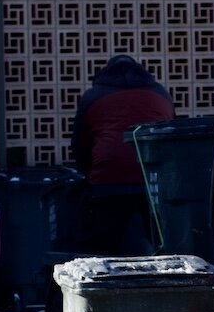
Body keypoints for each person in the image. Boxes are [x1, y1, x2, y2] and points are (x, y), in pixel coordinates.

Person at [68, 54, 174, 254]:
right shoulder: (161, 93)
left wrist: (89, 176)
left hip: (108, 178)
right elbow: (169, 134)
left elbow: (80, 144)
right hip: (151, 176)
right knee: (163, 242)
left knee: (98, 247)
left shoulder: (93, 96)